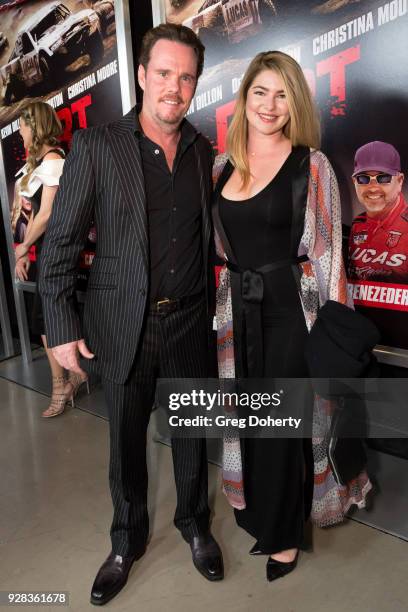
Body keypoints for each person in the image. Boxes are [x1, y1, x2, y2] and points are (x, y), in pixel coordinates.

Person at [39, 23, 223, 607]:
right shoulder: (97, 146)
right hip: (124, 327)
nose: (175, 86)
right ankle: (126, 541)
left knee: (193, 434)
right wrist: (63, 329)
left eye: (186, 76)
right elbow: (60, 245)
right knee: (125, 444)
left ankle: (195, 523)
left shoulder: (201, 148)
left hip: (190, 322)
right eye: (164, 73)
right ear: (142, 76)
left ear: (195, 83)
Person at [213, 51, 372, 581]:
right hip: (238, 312)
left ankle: (284, 538)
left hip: (290, 309)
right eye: (260, 91)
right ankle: (262, 515)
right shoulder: (220, 166)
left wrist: (334, 329)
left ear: (295, 102)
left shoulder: (312, 163)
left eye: (282, 94)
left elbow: (328, 253)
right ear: (244, 97)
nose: (270, 104)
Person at [13, 101, 88, 418]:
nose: (20, 133)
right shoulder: (40, 164)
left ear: (35, 126)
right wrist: (27, 252)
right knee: (44, 322)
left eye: (23, 127)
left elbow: (46, 216)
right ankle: (70, 378)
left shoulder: (55, 160)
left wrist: (22, 247)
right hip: (46, 252)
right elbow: (33, 217)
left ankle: (65, 384)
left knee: (48, 321)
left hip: (59, 252)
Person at [348, 141, 407, 283]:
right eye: (363, 178)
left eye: (383, 178)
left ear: (399, 181)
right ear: (354, 182)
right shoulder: (357, 225)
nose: (373, 188)